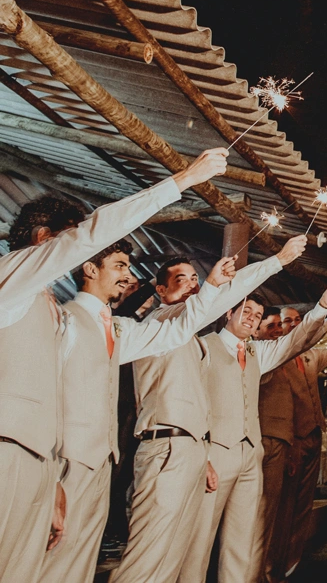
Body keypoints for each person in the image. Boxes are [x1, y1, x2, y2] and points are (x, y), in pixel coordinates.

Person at [0, 147, 227, 581]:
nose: (85, 250)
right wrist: (181, 181)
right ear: (45, 239)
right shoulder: (12, 279)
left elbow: (172, 332)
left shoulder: (55, 310)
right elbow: (92, 234)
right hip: (10, 449)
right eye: (73, 239)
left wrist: (214, 287)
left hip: (47, 461)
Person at [110, 235, 307, 583]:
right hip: (165, 446)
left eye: (194, 279)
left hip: (193, 449)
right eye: (181, 279)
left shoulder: (191, 339)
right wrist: (277, 260)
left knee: (175, 556)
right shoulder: (161, 323)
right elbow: (216, 301)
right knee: (148, 558)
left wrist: (205, 456)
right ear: (160, 290)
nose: (192, 285)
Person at [38, 240, 236, 582]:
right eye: (120, 266)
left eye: (128, 268)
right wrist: (52, 476)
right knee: (62, 557)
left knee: (85, 559)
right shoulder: (69, 320)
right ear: (90, 269)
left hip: (106, 455)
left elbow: (180, 331)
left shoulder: (122, 327)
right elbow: (49, 394)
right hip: (76, 456)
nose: (128, 276)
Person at [179, 286, 327, 582]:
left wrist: (321, 307)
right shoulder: (204, 347)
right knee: (200, 539)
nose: (252, 318)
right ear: (229, 312)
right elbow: (190, 402)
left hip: (251, 456)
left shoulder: (258, 352)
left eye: (257, 315)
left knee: (244, 539)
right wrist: (202, 456)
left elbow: (295, 340)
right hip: (216, 454)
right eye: (246, 311)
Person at [252, 299, 327, 582]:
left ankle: (292, 564)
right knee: (281, 508)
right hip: (286, 441)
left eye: (294, 321)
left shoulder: (310, 357)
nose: (289, 326)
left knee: (303, 507)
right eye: (284, 322)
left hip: (314, 437)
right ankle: (270, 568)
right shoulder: (269, 356)